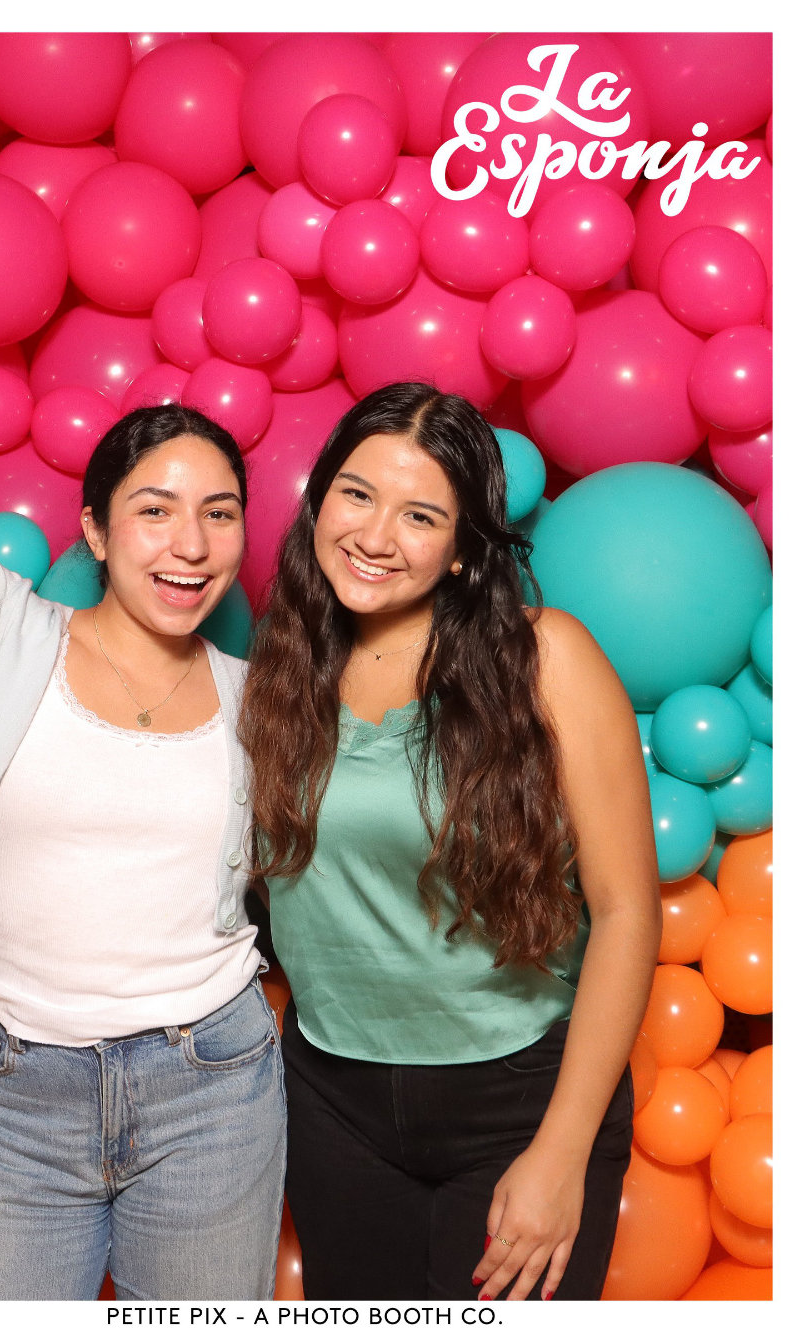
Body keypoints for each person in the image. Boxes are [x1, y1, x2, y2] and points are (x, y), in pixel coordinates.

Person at [0, 375, 286, 1301]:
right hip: (26, 1097)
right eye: (154, 510)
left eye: (219, 512)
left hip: (212, 1085)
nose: (191, 544)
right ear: (95, 530)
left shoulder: (259, 700)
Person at [239, 381, 661, 1301]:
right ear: (319, 500)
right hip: (331, 1101)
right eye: (356, 494)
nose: (375, 534)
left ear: (464, 550)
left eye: (420, 515)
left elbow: (628, 910)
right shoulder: (276, 669)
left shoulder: (546, 658)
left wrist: (563, 1149)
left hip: (520, 1098)